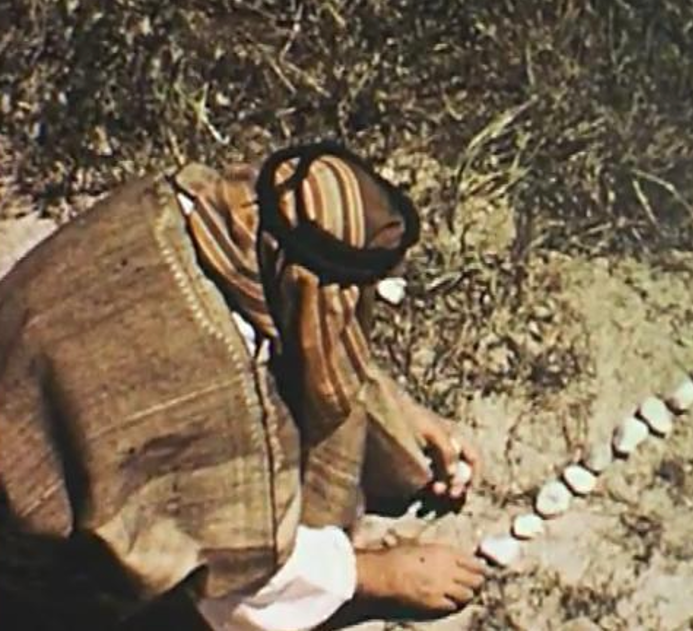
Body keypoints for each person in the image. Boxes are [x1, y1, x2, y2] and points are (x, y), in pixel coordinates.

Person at [0, 141, 487, 630]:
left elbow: (305, 324)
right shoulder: (225, 403)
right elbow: (237, 579)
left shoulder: (176, 203)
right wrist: (375, 576)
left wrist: (393, 415)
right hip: (27, 558)